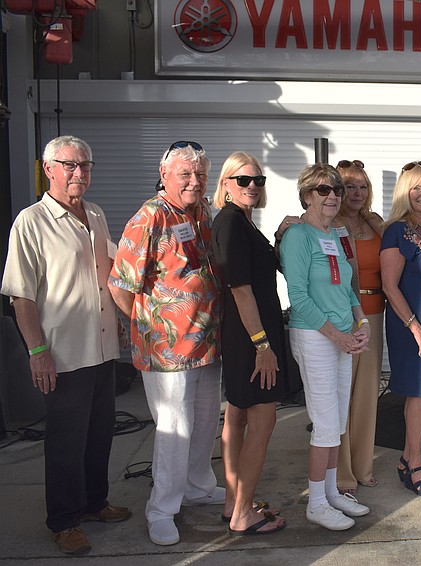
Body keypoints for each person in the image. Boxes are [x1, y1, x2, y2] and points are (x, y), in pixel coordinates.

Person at [1, 135, 130, 555]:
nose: (79, 173)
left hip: (103, 348)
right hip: (64, 354)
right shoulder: (32, 221)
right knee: (65, 442)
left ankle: (95, 503)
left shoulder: (94, 213)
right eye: (70, 165)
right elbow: (22, 295)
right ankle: (64, 520)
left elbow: (111, 273)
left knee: (99, 434)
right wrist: (37, 352)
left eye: (85, 165)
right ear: (49, 169)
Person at [109, 141, 224, 547]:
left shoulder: (200, 212)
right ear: (165, 176)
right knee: (175, 429)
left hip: (208, 344)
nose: (195, 181)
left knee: (207, 420)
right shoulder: (149, 217)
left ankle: (197, 486)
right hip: (168, 352)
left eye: (200, 174)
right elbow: (120, 284)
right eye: (185, 175)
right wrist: (148, 328)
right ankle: (162, 509)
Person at [280, 164, 371, 531]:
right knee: (325, 423)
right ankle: (315, 502)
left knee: (338, 420)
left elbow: (347, 288)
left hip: (341, 336)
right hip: (316, 335)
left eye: (335, 188)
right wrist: (338, 335)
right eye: (322, 190)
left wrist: (361, 323)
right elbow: (298, 297)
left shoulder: (335, 234)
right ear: (305, 195)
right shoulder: (298, 236)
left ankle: (331, 492)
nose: (331, 195)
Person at [210, 152, 287, 536]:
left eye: (258, 180)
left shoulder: (241, 222)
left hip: (248, 336)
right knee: (263, 419)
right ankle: (243, 513)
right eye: (243, 180)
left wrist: (279, 236)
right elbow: (240, 289)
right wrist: (263, 345)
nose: (252, 186)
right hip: (252, 338)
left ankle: (232, 502)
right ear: (225, 184)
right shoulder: (231, 224)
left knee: (238, 416)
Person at [380, 161, 421, 497]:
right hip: (412, 324)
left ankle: (409, 456)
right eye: (417, 188)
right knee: (419, 393)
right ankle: (415, 463)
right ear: (405, 192)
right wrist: (414, 327)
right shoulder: (396, 230)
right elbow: (390, 285)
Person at [333, 160, 386, 495]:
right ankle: (341, 473)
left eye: (362, 186)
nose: (356, 192)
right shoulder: (328, 221)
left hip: (375, 314)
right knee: (341, 395)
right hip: (342, 315)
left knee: (367, 394)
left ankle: (363, 465)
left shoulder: (375, 223)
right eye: (349, 186)